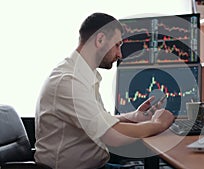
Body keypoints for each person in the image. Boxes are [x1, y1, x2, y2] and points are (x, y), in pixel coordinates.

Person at [34, 12, 175, 169]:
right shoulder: (69, 81)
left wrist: (133, 116)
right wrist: (158, 124)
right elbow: (113, 136)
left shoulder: (83, 74)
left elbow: (99, 121)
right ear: (100, 40)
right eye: (117, 45)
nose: (119, 54)